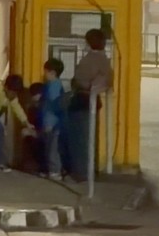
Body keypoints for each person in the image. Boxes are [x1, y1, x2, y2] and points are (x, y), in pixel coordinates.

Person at [68, 28, 113, 180]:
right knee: (90, 139)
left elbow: (80, 81)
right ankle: (89, 171)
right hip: (92, 102)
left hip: (82, 102)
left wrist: (76, 82)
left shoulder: (90, 60)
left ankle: (80, 173)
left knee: (80, 140)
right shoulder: (105, 60)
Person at [0, 75, 35, 172]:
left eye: (16, 93)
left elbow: (17, 108)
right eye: (12, 92)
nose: (14, 95)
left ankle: (0, 162)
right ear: (6, 88)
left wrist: (26, 122)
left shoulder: (11, 96)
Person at [41, 58, 68, 181]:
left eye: (45, 71)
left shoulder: (53, 86)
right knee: (51, 147)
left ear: (52, 72)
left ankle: (55, 171)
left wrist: (49, 123)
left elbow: (53, 105)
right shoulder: (55, 85)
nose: (44, 74)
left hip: (53, 123)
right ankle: (53, 170)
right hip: (53, 122)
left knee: (53, 148)